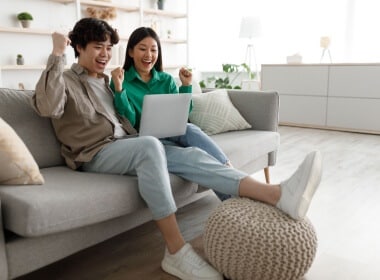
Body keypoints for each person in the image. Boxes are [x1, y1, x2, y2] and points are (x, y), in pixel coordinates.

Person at [32, 18, 322, 280]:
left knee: (189, 153)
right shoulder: (66, 80)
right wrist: (57, 53)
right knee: (149, 146)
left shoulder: (108, 82)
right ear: (78, 47)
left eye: (108, 48)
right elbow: (47, 106)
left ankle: (277, 195)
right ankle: (176, 250)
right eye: (98, 47)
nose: (105, 54)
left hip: (125, 145)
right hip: (92, 154)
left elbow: (128, 121)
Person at [110, 26, 231, 201]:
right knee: (196, 155)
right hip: (144, 140)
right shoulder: (120, 81)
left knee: (189, 128)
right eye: (142, 49)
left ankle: (228, 169)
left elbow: (182, 115)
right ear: (130, 52)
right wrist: (120, 89)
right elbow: (129, 120)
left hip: (170, 132)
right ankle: (232, 193)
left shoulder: (166, 80)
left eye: (153, 50)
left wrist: (186, 85)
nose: (149, 55)